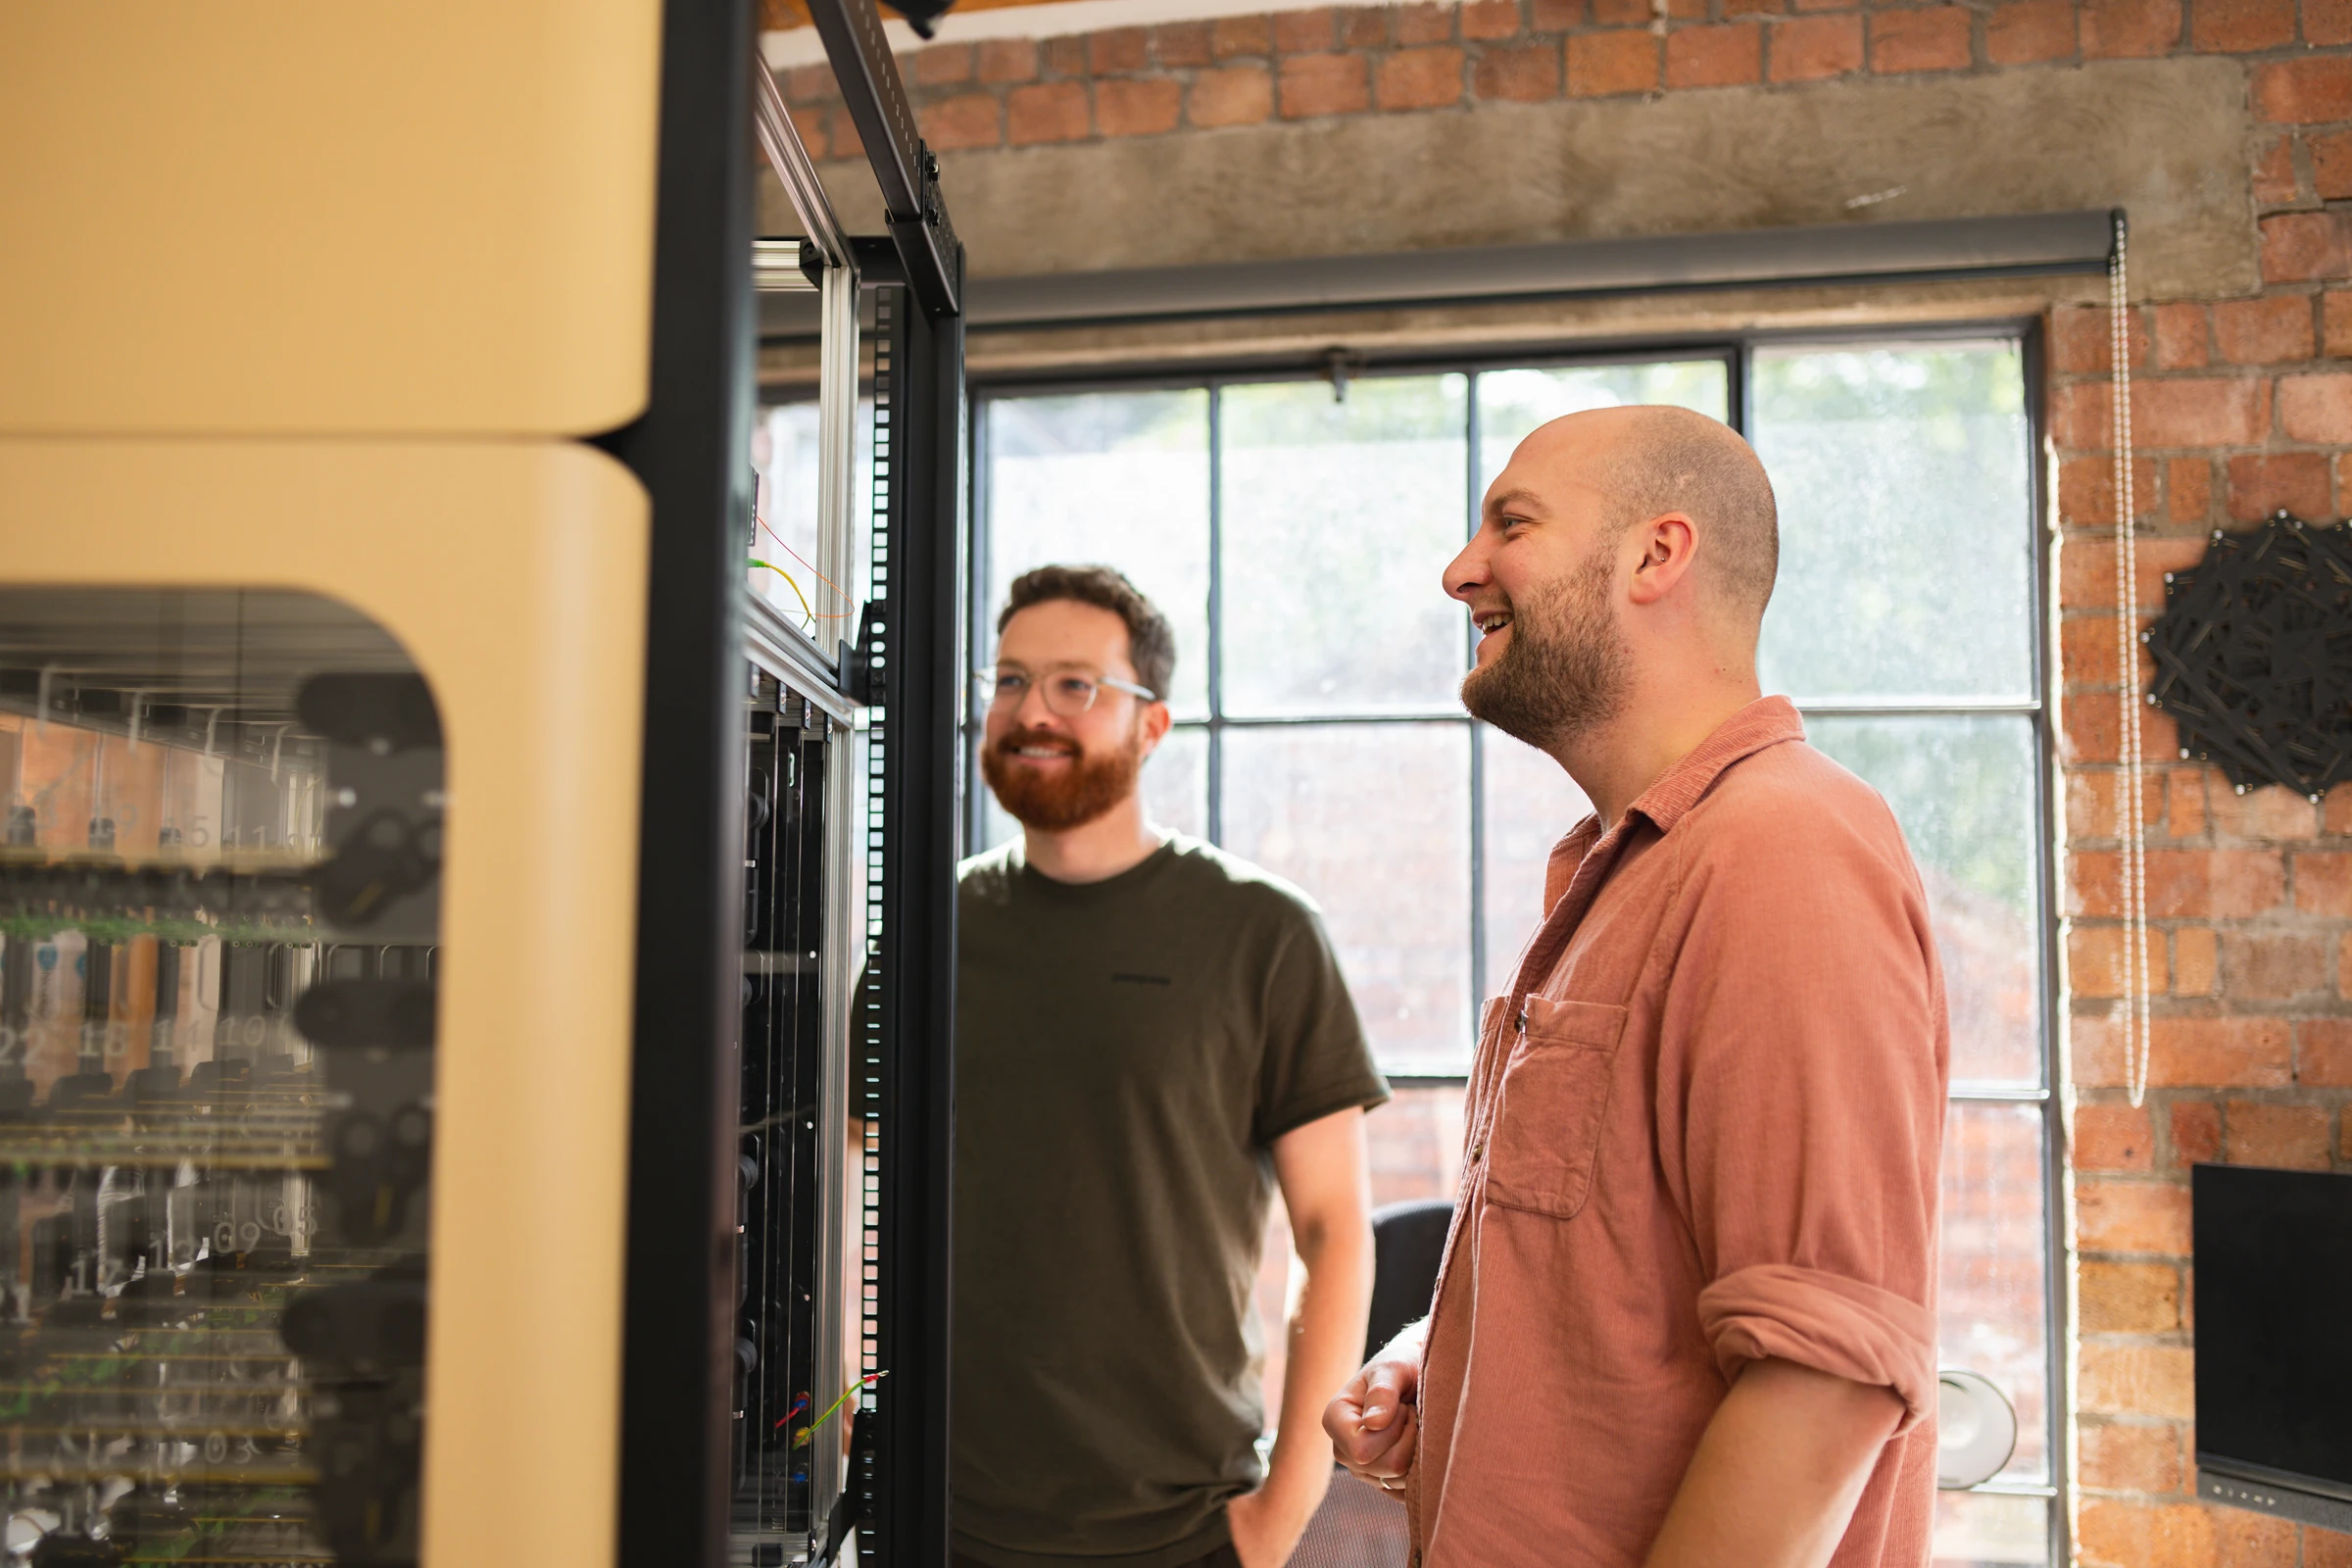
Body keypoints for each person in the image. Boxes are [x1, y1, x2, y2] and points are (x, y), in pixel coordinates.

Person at [1323, 407, 1948, 1568]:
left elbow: (1828, 1374)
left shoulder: (1783, 848)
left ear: (1657, 555)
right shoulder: (1629, 868)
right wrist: (1441, 1356)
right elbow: (1618, 1268)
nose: (1460, 570)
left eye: (1512, 523)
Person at [954, 565, 1390, 1568]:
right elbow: (843, 1172)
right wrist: (853, 1382)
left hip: (1183, 1528)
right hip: (946, 1517)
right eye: (1011, 680)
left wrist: (1283, 1507)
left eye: (1076, 684)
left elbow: (1332, 1231)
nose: (1032, 712)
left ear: (1152, 727)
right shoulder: (933, 926)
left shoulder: (1264, 932)